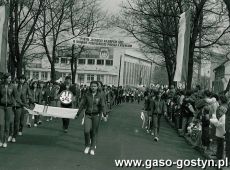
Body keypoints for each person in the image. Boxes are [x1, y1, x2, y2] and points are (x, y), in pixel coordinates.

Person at [75, 81, 105, 155]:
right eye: (92, 86)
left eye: (95, 86)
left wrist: (105, 114)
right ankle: (87, 146)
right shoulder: (87, 95)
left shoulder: (100, 96)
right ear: (90, 87)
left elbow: (102, 106)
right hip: (88, 115)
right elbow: (82, 105)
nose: (93, 87)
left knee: (94, 132)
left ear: (97, 87)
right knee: (86, 131)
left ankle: (92, 148)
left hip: (96, 115)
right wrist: (78, 114)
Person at [0, 73, 18, 148]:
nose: (9, 80)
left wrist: (18, 104)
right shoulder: (1, 86)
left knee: (7, 124)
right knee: (1, 124)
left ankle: (5, 141)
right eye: (8, 78)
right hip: (1, 106)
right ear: (5, 78)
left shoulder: (13, 86)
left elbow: (16, 96)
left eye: (10, 78)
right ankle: (0, 140)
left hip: (9, 107)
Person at [210, 95, 227, 162]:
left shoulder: (222, 107)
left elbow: (221, 120)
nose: (218, 101)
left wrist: (215, 120)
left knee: (220, 143)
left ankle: (219, 155)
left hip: (220, 127)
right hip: (220, 127)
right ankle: (218, 154)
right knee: (220, 142)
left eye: (219, 100)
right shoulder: (225, 105)